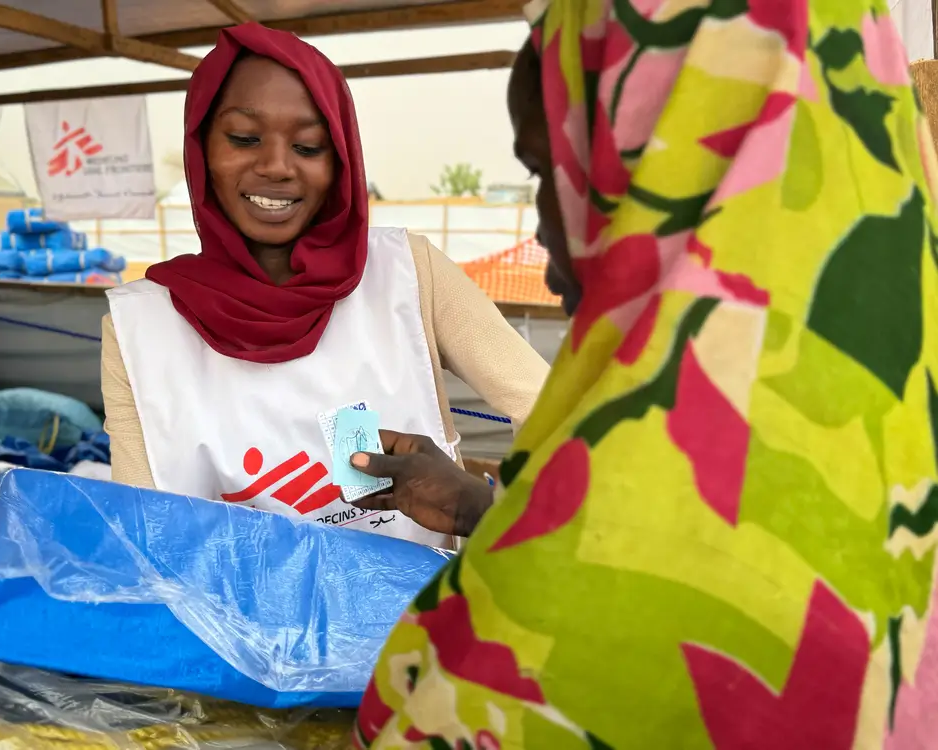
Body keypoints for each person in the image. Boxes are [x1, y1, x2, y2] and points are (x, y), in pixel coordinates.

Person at [354, 0, 938, 746]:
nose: (541, 222)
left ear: (664, 172)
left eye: (553, 171)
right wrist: (482, 507)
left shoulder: (561, 636)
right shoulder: (896, 411)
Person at [100, 23, 549, 550]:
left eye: (309, 146)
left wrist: (479, 507)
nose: (275, 166)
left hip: (412, 626)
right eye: (244, 138)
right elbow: (146, 536)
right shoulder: (142, 332)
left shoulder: (410, 275)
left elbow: (562, 415)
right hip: (229, 631)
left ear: (341, 159)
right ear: (201, 151)